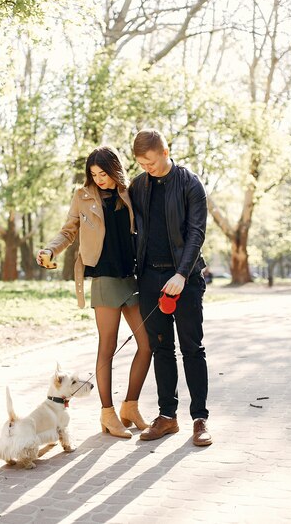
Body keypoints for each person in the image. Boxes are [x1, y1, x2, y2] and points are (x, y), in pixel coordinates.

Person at [36, 146, 152, 439]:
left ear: (115, 170)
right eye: (94, 174)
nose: (99, 179)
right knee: (107, 347)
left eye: (104, 173)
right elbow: (68, 231)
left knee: (147, 344)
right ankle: (108, 413)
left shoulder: (130, 193)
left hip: (132, 276)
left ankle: (130, 406)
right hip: (104, 277)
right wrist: (50, 249)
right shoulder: (83, 196)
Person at [129, 129, 212, 446]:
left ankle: (200, 419)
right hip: (150, 279)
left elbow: (196, 233)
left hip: (185, 280)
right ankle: (167, 417)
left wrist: (181, 273)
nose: (146, 167)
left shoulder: (191, 183)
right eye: (140, 163)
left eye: (150, 161)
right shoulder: (139, 186)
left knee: (192, 348)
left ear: (165, 152)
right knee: (161, 349)